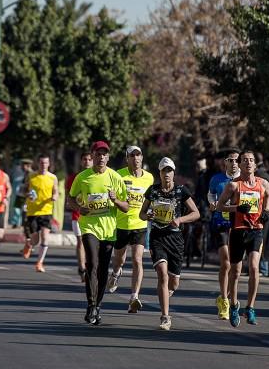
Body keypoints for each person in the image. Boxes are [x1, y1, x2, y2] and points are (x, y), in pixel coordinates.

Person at [70, 140, 129, 325]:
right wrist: (80, 208)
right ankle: (91, 304)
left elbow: (126, 206)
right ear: (92, 155)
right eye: (98, 154)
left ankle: (98, 305)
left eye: (105, 154)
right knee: (92, 264)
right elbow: (71, 199)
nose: (101, 157)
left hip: (109, 229)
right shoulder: (83, 177)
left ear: (108, 157)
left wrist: (116, 200)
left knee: (103, 270)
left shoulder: (115, 177)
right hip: (89, 226)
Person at [140, 157, 199, 331]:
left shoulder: (181, 191)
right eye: (164, 171)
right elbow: (141, 214)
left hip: (175, 240)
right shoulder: (153, 191)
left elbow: (195, 213)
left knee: (174, 283)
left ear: (174, 173)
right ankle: (165, 317)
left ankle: (168, 291)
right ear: (159, 173)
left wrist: (180, 219)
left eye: (169, 171)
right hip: (158, 238)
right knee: (162, 275)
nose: (167, 174)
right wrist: (148, 216)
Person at [214, 150, 269, 327]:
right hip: (238, 231)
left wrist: (267, 210)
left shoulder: (263, 183)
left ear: (255, 165)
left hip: (256, 230)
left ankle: (251, 307)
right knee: (236, 271)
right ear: (239, 165)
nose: (248, 163)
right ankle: (233, 306)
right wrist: (237, 208)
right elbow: (219, 206)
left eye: (251, 160)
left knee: (254, 267)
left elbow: (268, 195)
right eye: (244, 160)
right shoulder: (233, 185)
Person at [107, 145, 153, 312]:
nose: (136, 159)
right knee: (119, 260)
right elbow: (113, 197)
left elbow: (150, 199)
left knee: (137, 260)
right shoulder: (119, 175)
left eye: (138, 155)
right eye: (132, 156)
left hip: (140, 224)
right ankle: (116, 273)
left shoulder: (149, 178)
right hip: (121, 224)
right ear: (127, 159)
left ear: (142, 158)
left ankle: (134, 297)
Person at [208, 149, 239, 320]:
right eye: (230, 160)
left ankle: (225, 294)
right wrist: (212, 203)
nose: (233, 163)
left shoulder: (245, 180)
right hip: (221, 223)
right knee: (226, 262)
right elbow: (210, 194)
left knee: (236, 266)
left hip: (240, 225)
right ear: (225, 163)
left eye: (236, 160)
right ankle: (225, 300)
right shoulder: (217, 179)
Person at [22, 153, 58, 273]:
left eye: (46, 163)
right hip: (32, 211)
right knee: (35, 240)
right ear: (38, 163)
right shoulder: (31, 176)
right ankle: (29, 244)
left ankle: (39, 263)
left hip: (47, 211)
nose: (43, 165)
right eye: (41, 162)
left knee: (45, 238)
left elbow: (56, 191)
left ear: (49, 164)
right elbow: (24, 190)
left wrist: (54, 196)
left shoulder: (53, 177)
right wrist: (27, 195)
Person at [66, 151, 93, 280]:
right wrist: (77, 205)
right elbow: (69, 198)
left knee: (92, 244)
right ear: (81, 161)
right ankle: (82, 268)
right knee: (81, 241)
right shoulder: (74, 178)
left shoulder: (98, 177)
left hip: (94, 217)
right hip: (77, 215)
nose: (87, 162)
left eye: (89, 159)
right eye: (85, 159)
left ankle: (90, 266)